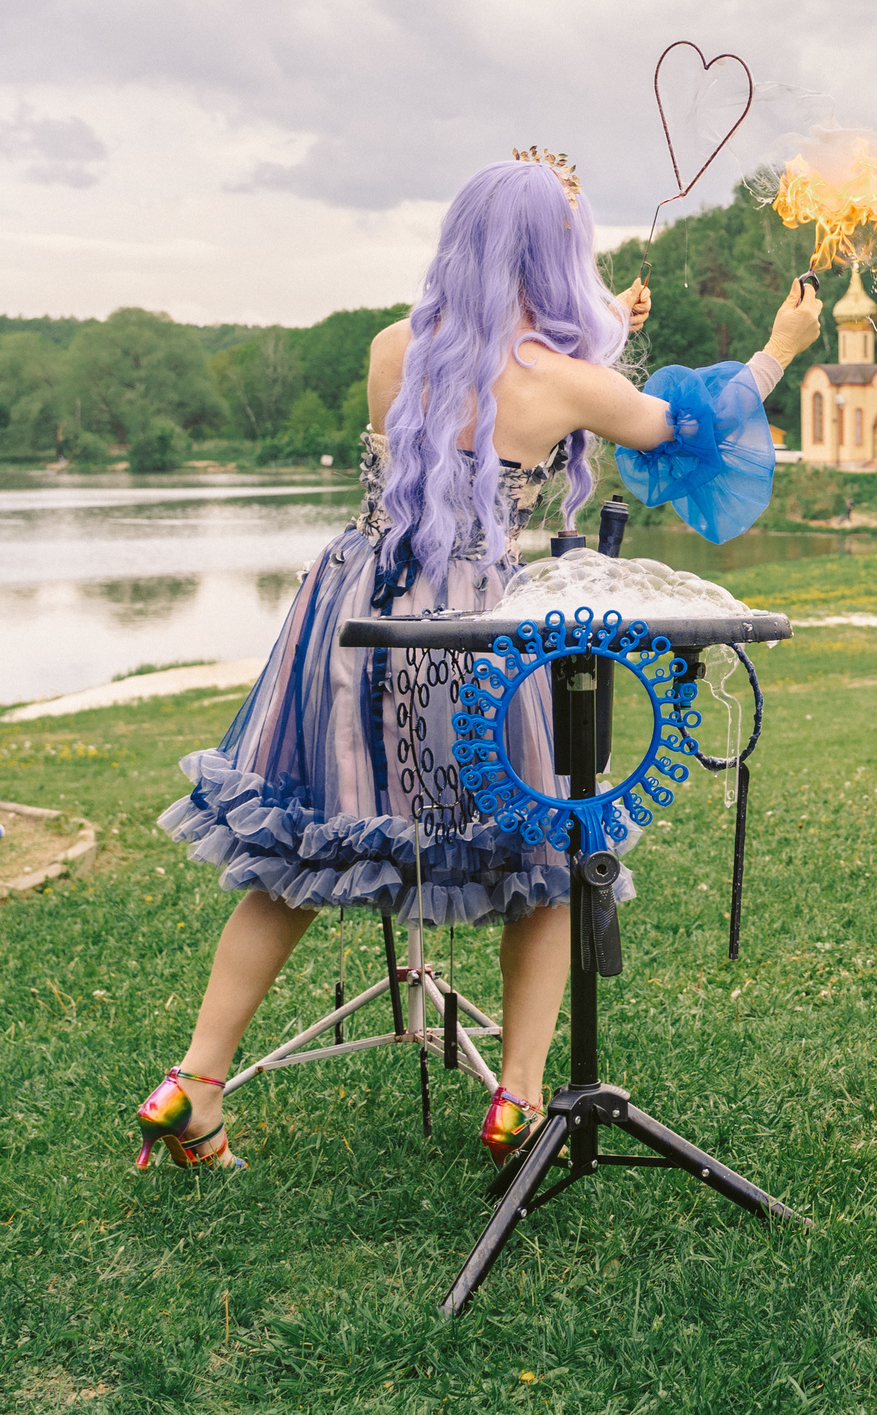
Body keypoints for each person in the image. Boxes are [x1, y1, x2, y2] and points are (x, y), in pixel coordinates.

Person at [139, 153, 825, 1171]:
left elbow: (483, 380)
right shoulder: (570, 383)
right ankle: (519, 1096)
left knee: (298, 854)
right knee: (540, 864)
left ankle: (192, 1084)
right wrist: (776, 350)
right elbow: (685, 431)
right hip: (469, 628)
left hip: (351, 613)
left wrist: (606, 329)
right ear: (558, 258)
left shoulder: (389, 349)